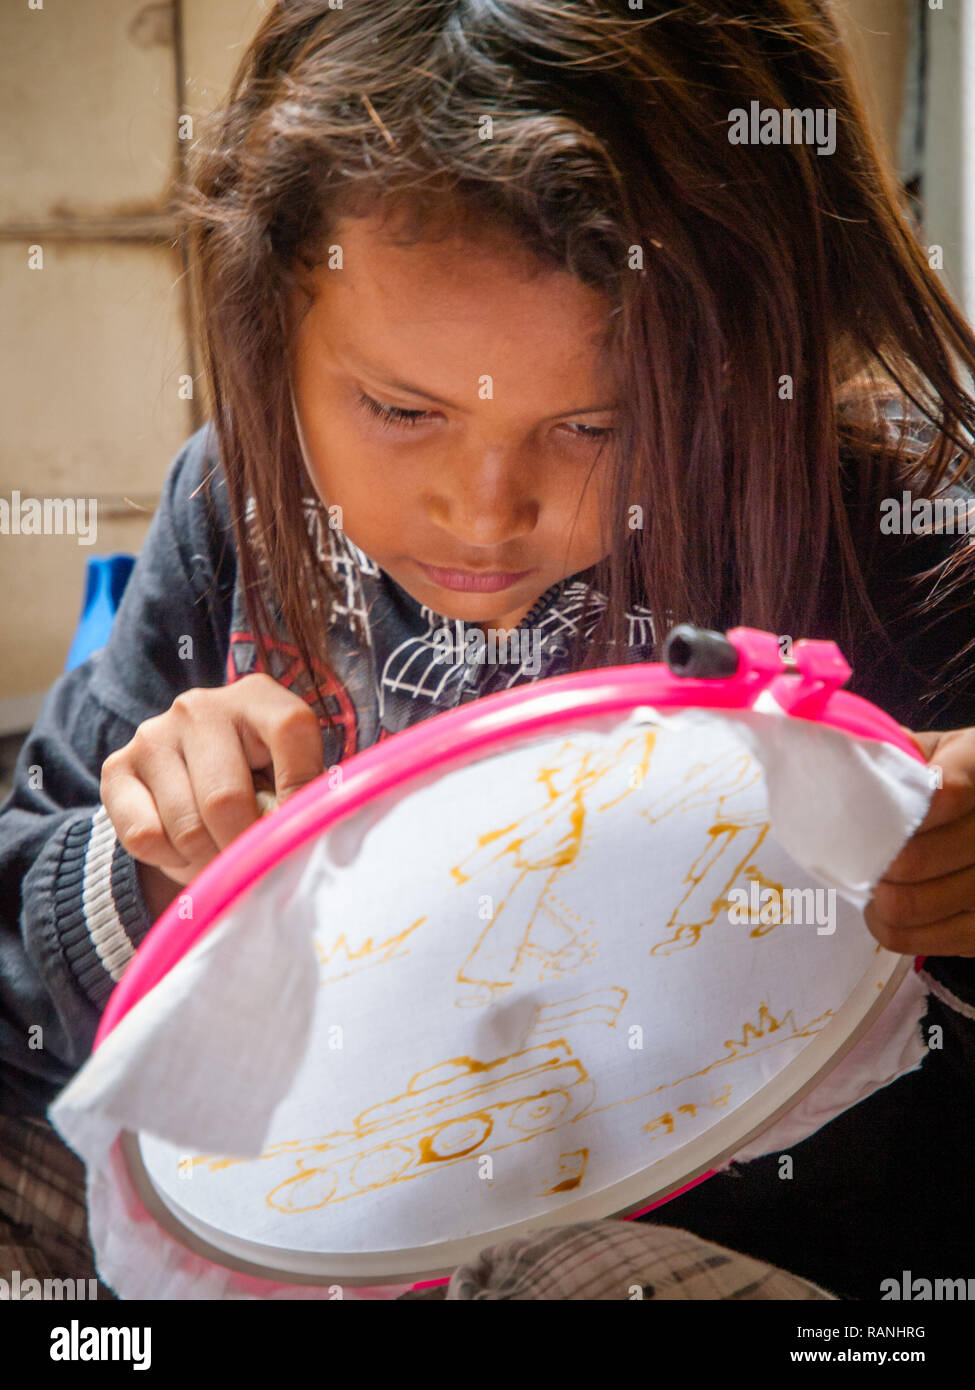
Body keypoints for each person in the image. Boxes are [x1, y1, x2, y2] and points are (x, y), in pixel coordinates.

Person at [3, 0, 975, 1301]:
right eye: (398, 409)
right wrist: (149, 875)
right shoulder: (241, 505)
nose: (482, 510)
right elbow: (25, 973)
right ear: (269, 341)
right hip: (299, 1213)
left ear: (757, 361)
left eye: (591, 423)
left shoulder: (895, 538)